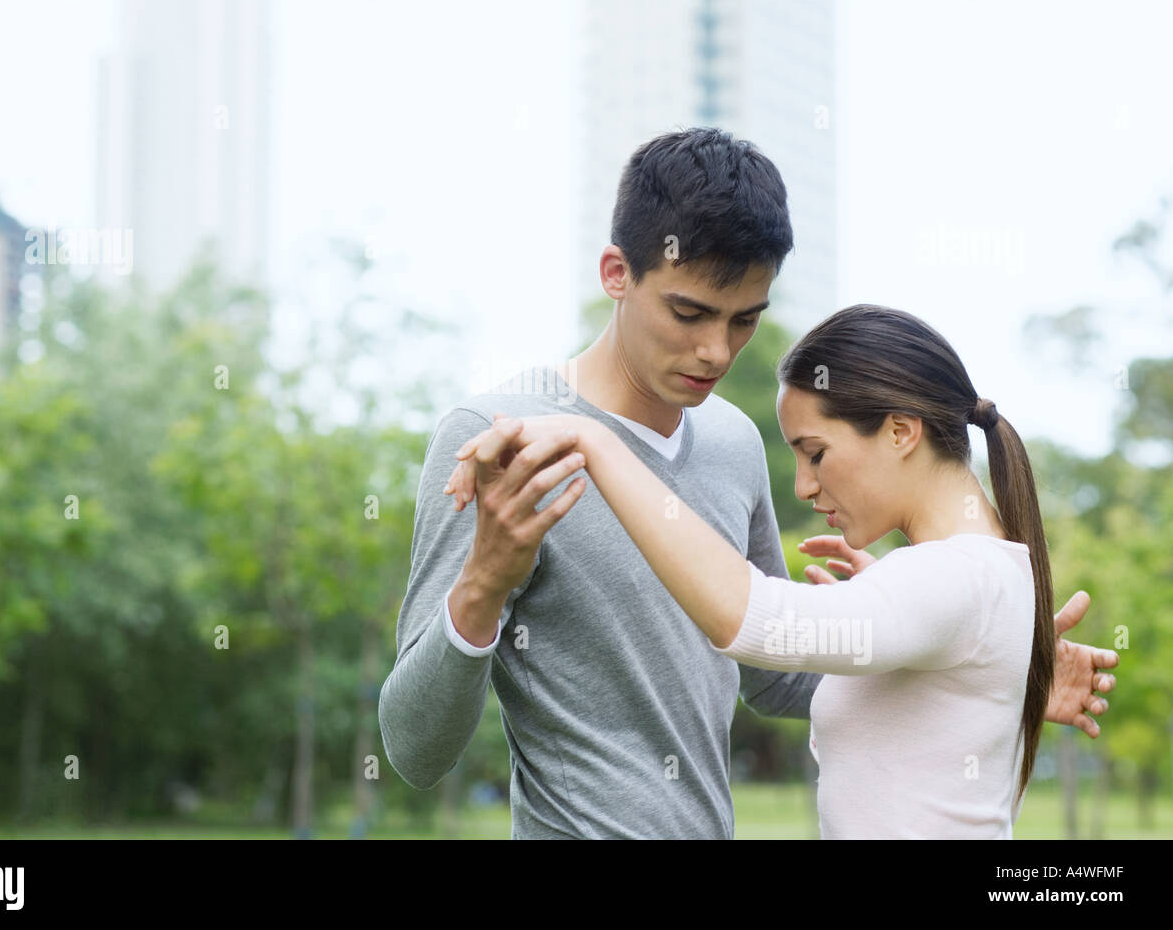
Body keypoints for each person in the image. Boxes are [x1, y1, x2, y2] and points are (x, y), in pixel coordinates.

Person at [377, 127, 1117, 839]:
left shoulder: (732, 440)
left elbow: (773, 668)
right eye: (689, 312)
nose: (714, 350)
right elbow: (413, 750)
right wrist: (481, 582)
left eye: (744, 321)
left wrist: (976, 674)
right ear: (616, 273)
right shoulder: (500, 439)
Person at [449, 304, 1083, 837]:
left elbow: (759, 622)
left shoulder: (952, 579)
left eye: (816, 453)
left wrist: (596, 443)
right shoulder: (965, 575)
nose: (805, 486)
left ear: (899, 432)